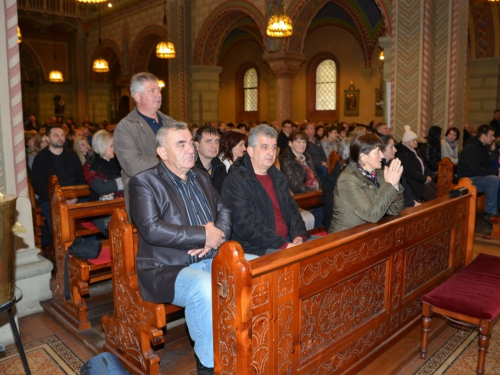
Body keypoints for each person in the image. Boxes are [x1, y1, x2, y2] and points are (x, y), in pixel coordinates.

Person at [128, 121, 257, 375]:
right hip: (167, 268)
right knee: (202, 287)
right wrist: (201, 236)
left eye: (190, 142)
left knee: (254, 266)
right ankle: (208, 365)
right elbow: (152, 229)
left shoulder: (200, 176)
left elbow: (224, 210)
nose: (190, 149)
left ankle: (247, 346)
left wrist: (216, 237)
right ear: (162, 153)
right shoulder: (144, 182)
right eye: (181, 144)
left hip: (211, 255)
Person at [221, 125, 309, 255]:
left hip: (287, 241)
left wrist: (298, 236)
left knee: (327, 250)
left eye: (274, 147)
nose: (271, 152)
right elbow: (246, 225)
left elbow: (293, 211)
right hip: (258, 248)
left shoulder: (277, 176)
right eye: (265, 147)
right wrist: (282, 244)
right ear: (250, 151)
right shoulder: (236, 181)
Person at [114, 72, 177, 210]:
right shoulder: (125, 127)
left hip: (175, 193)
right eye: (152, 91)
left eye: (159, 90)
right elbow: (133, 164)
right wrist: (172, 162)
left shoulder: (170, 122)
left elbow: (189, 151)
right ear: (137, 96)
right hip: (146, 197)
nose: (159, 94)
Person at [329, 134, 404, 233]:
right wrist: (389, 185)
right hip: (346, 237)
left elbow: (394, 211)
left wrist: (395, 185)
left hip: (368, 232)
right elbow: (371, 215)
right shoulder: (347, 180)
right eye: (378, 152)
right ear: (363, 157)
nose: (382, 155)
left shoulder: (378, 173)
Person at [31, 125, 86, 247]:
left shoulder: (72, 155)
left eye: (62, 135)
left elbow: (80, 179)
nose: (60, 138)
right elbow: (38, 184)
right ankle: (62, 254)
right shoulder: (40, 159)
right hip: (51, 200)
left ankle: (83, 250)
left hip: (74, 198)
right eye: (56, 135)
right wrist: (58, 199)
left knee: (89, 221)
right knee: (59, 225)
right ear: (48, 139)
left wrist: (76, 196)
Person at [82, 130, 124, 237]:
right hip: (101, 210)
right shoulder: (90, 166)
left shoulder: (118, 162)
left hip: (122, 206)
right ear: (101, 147)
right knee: (117, 231)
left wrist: (112, 186)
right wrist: (123, 181)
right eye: (111, 146)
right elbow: (101, 188)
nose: (114, 148)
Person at [457, 124, 500, 226]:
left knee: (495, 178)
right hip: (467, 180)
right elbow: (476, 170)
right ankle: (489, 213)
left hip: (476, 177)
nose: (493, 138)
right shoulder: (471, 148)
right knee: (493, 180)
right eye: (491, 135)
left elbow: (485, 167)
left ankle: (496, 208)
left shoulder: (483, 147)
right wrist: (496, 173)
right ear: (483, 135)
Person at [396, 125, 437, 202]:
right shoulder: (402, 153)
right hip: (414, 182)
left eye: (416, 140)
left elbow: (423, 164)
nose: (416, 142)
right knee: (433, 196)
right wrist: (424, 178)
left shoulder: (415, 151)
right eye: (413, 140)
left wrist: (428, 175)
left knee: (439, 192)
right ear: (406, 142)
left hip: (422, 179)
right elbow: (408, 171)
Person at [381, 134, 420, 208]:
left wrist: (412, 201)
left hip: (404, 203)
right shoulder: (380, 169)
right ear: (382, 149)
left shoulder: (391, 163)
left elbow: (404, 186)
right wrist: (411, 203)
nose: (395, 150)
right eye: (391, 147)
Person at [194, 125, 227, 194]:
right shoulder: (191, 170)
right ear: (197, 145)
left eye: (217, 141)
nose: (214, 146)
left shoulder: (220, 167)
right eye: (208, 141)